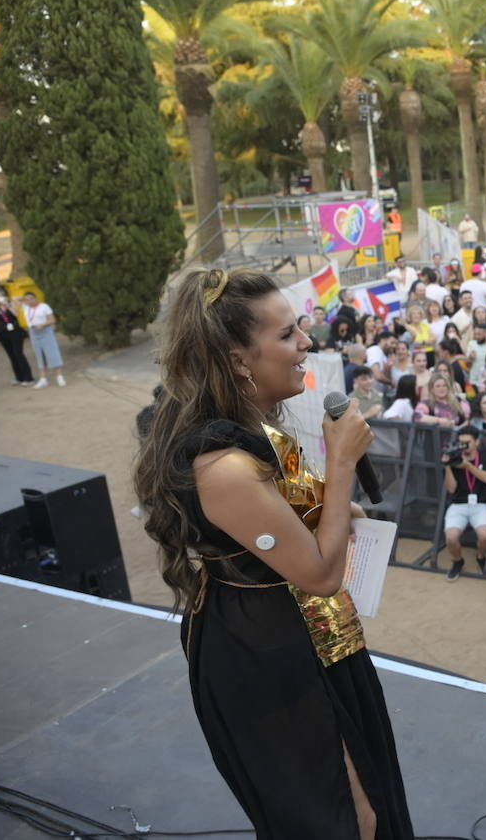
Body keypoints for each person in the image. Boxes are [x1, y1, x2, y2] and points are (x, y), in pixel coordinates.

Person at [132, 268, 413, 838]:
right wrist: (339, 468)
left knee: (368, 796)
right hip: (269, 659)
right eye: (287, 335)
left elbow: (292, 518)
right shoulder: (223, 465)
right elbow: (318, 574)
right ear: (239, 359)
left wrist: (332, 507)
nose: (306, 343)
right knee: (343, 818)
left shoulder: (256, 426)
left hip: (313, 641)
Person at [442, 426, 486, 580]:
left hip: (481, 504)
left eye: (467, 443)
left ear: (477, 442)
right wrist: (447, 466)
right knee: (451, 538)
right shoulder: (454, 457)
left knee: (484, 536)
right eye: (461, 443)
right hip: (458, 504)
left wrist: (468, 466)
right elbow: (451, 489)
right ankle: (458, 561)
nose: (463, 446)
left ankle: (481, 556)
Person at [20, 290, 65, 388]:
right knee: (39, 356)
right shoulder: (26, 307)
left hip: (45, 331)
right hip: (33, 333)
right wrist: (23, 299)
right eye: (27, 300)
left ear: (35, 298)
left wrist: (43, 324)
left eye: (31, 298)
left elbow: (52, 320)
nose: (29, 301)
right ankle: (43, 379)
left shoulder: (44, 306)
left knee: (53, 353)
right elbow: (15, 300)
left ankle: (60, 377)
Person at [0, 287, 34, 386]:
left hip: (15, 332)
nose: (1, 297)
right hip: (3, 333)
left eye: (2, 295)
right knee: (11, 355)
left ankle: (28, 378)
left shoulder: (11, 303)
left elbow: (17, 314)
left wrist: (8, 305)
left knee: (18, 353)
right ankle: (19, 378)